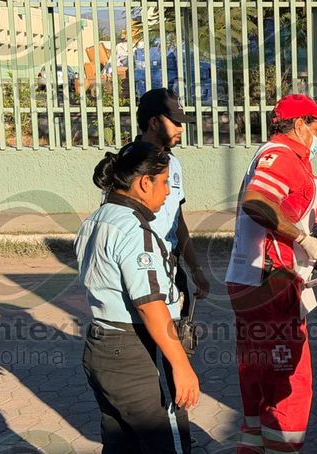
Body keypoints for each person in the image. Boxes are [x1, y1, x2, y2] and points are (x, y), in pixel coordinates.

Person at [225, 94, 317, 453]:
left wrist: (311, 233)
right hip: (270, 282)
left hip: (255, 279)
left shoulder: (277, 154)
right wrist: (303, 239)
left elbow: (282, 209)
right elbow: (258, 202)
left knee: (258, 378)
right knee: (288, 384)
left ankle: (254, 446)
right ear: (300, 124)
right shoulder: (283, 156)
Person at [75, 141, 200, 453]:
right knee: (165, 443)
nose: (168, 192)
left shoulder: (96, 219)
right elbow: (149, 305)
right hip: (132, 352)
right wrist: (181, 365)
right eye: (165, 183)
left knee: (122, 445)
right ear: (145, 183)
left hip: (101, 345)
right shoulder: (134, 230)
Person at [136, 88, 210, 321]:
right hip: (141, 265)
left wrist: (195, 268)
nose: (181, 129)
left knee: (180, 334)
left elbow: (177, 220)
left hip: (172, 264)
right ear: (154, 122)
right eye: (175, 122)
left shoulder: (173, 164)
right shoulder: (130, 163)